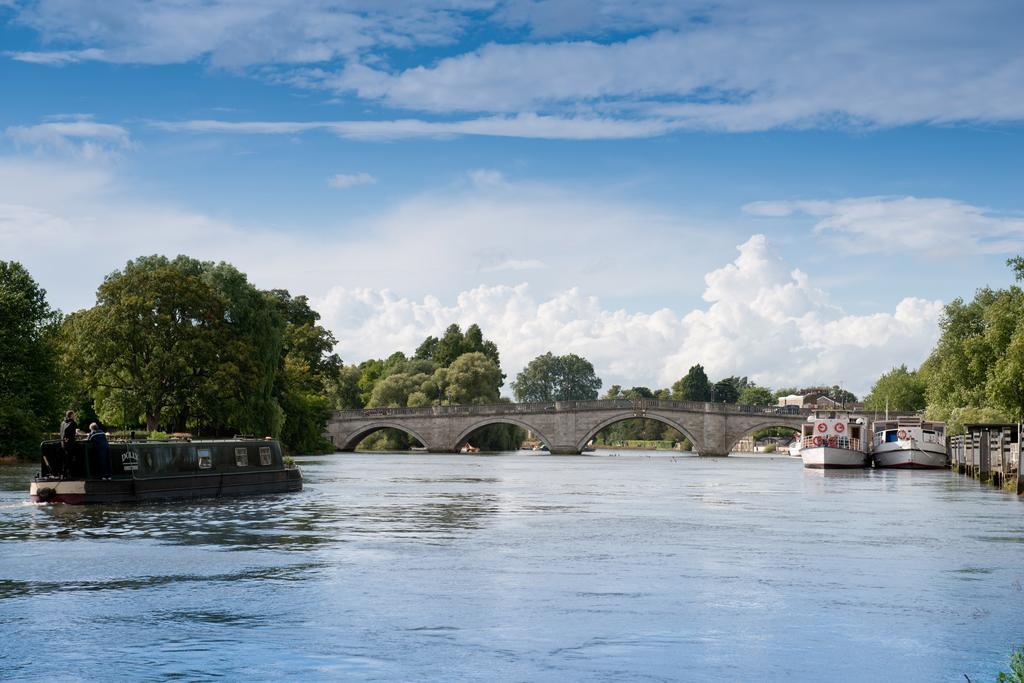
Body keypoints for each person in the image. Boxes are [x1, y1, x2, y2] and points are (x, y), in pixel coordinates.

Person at [59, 410, 79, 479]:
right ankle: (69, 474)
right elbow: (73, 433)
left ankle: (63, 474)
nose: (75, 416)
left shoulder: (62, 423)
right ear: (71, 416)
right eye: (74, 415)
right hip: (70, 444)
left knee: (65, 459)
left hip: (63, 444)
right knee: (70, 459)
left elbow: (62, 433)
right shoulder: (73, 423)